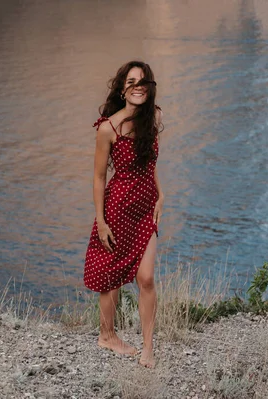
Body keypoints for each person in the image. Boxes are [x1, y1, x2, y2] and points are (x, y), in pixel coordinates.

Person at [84, 61, 164, 368]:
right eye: (131, 82)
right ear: (122, 89)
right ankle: (107, 336)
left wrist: (162, 194)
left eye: (143, 81)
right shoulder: (108, 128)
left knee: (146, 278)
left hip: (146, 208)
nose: (138, 86)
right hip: (117, 209)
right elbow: (99, 177)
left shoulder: (154, 117)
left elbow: (150, 163)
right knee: (111, 276)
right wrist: (101, 221)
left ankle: (148, 348)